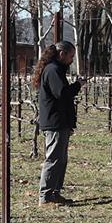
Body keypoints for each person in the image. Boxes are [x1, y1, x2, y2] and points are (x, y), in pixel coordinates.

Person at [34, 41, 85, 205]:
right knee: (54, 159)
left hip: (59, 121)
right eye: (71, 56)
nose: (71, 60)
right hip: (55, 121)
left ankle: (54, 193)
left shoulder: (55, 69)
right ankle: (46, 196)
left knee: (61, 159)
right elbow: (62, 94)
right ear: (62, 54)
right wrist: (78, 85)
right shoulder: (53, 70)